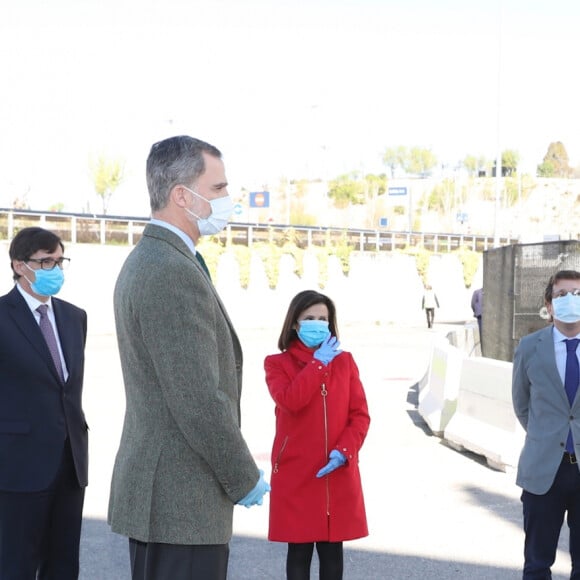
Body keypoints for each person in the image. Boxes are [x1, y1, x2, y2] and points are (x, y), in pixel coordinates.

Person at [108, 135, 270, 580]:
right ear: (183, 195)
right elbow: (197, 398)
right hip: (180, 505)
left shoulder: (161, 259)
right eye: (218, 189)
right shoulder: (169, 270)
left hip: (171, 504)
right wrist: (244, 476)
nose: (227, 199)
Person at [0, 227, 88, 579]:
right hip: (18, 467)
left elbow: (67, 390)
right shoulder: (2, 316)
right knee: (16, 564)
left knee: (64, 564)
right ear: (20, 266)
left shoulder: (74, 317)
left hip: (70, 464)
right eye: (45, 261)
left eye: (59, 260)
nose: (55, 269)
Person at [264, 289, 370, 580]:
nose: (317, 323)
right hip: (296, 473)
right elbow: (291, 400)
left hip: (335, 472)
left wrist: (344, 451)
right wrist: (318, 363)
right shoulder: (276, 364)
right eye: (309, 318)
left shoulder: (345, 362)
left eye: (323, 318)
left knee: (332, 553)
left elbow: (359, 415)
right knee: (298, 554)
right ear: (295, 324)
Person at [512, 269, 580, 578]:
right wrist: (547, 437)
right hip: (543, 471)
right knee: (537, 564)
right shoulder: (529, 347)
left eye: (577, 295)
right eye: (562, 295)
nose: (570, 301)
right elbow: (522, 405)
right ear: (549, 305)